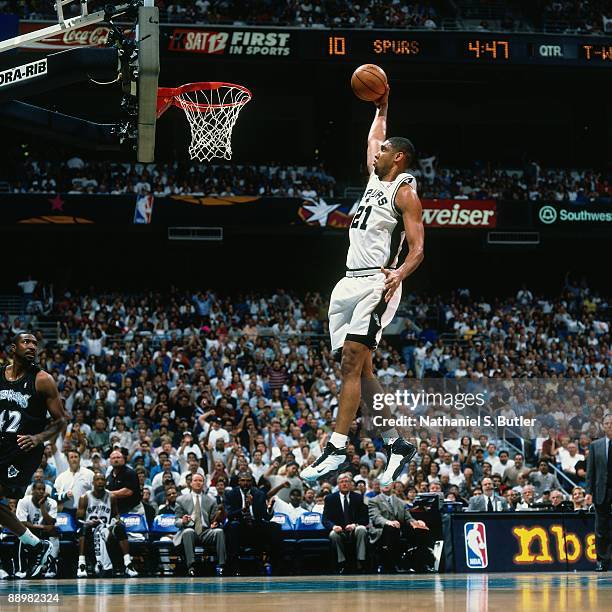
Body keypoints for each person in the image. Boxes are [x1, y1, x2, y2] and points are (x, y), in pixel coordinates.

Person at [302, 85, 423, 486]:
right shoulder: (374, 179)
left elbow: (419, 249)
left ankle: (336, 449)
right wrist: (383, 105)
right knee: (361, 368)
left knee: (353, 360)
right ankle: (396, 443)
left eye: (385, 150)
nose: (377, 152)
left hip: (377, 279)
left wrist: (398, 274)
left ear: (399, 156)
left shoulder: (404, 192)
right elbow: (374, 134)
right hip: (349, 281)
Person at [0, 332, 67, 577]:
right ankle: (37, 546)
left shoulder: (42, 379)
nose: (32, 346)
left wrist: (38, 438)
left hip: (23, 449)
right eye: (26, 342)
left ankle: (36, 546)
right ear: (12, 347)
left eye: (35, 343)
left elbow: (61, 421)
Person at [76, 472, 138, 578]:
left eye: (102, 479)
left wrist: (118, 520)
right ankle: (81, 564)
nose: (100, 481)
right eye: (97, 479)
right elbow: (78, 519)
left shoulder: (112, 496)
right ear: (93, 483)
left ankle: (128, 564)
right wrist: (89, 523)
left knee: (120, 529)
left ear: (105, 482)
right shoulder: (85, 498)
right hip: (90, 530)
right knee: (84, 529)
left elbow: (116, 514)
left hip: (106, 529)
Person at [225, 471, 281, 575]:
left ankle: (275, 565)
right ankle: (234, 567)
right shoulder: (231, 494)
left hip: (255, 525)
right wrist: (245, 508)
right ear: (238, 482)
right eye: (242, 480)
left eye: (248, 481)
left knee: (275, 527)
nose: (245, 483)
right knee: (234, 526)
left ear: (252, 482)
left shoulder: (259, 494)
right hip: (239, 525)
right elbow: (229, 515)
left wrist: (270, 508)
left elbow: (266, 517)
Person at [368, 482, 431, 573]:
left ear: (392, 485)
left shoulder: (400, 502)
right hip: (381, 530)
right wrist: (388, 522)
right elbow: (376, 518)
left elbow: (408, 518)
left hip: (399, 529)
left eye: (388, 482)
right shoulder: (373, 501)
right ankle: (395, 563)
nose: (386, 484)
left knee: (420, 529)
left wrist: (416, 522)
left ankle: (420, 563)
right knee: (392, 529)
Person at [173, 473, 226, 576]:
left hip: (206, 531)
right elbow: (176, 521)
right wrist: (182, 521)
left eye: (200, 481)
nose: (198, 483)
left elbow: (213, 520)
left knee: (219, 531)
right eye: (195, 480)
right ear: (191, 483)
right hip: (190, 530)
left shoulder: (211, 500)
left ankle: (221, 566)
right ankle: (191, 566)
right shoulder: (181, 500)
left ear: (203, 483)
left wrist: (215, 522)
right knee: (188, 531)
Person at [322, 473, 369, 573]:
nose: (344, 484)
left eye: (346, 481)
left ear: (351, 484)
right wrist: (333, 526)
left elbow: (365, 518)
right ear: (338, 485)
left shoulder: (358, 498)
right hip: (339, 530)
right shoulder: (330, 499)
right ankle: (341, 563)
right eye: (342, 482)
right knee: (333, 534)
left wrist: (355, 525)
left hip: (354, 530)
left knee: (362, 529)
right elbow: (325, 519)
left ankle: (360, 561)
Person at [15, 481, 59, 578]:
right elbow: (22, 523)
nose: (41, 491)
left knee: (54, 531)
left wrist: (42, 505)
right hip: (30, 531)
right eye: (38, 489)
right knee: (21, 533)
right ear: (32, 491)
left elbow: (51, 522)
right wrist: (42, 527)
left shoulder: (52, 503)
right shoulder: (24, 501)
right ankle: (21, 569)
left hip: (44, 532)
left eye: (43, 489)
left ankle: (52, 566)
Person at [586, 413, 612, 572]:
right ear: (603, 426)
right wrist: (588, 491)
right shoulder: (596, 445)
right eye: (607, 423)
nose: (609, 425)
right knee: (601, 529)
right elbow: (590, 471)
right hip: (601, 490)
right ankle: (602, 561)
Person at [54, 449, 94, 515]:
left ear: (79, 459)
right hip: (67, 511)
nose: (74, 459)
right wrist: (65, 495)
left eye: (76, 457)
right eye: (71, 457)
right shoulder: (61, 477)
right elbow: (54, 495)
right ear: (68, 460)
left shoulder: (89, 474)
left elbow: (94, 493)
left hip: (85, 510)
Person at [106, 450, 143, 515]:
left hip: (133, 510)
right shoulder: (109, 477)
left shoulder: (130, 473)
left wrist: (106, 493)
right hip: (118, 510)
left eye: (118, 457)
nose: (116, 460)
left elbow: (127, 492)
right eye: (113, 458)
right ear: (110, 461)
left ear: (123, 459)